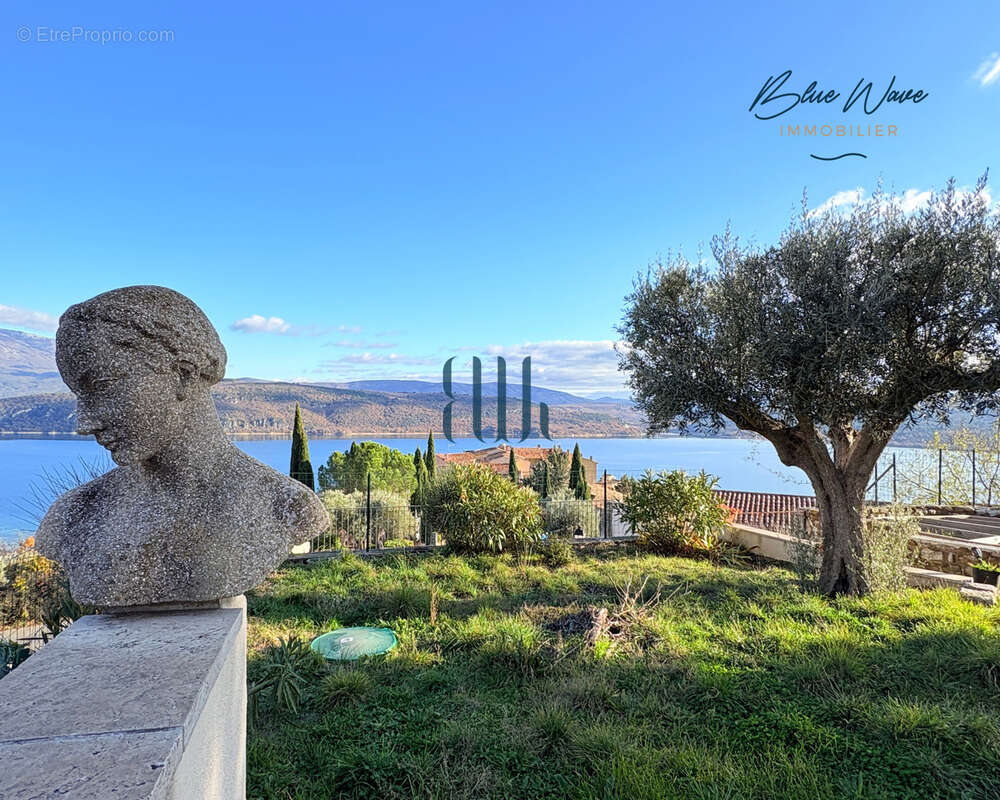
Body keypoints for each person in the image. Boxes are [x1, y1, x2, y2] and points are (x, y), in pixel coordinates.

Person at [36, 286, 328, 606]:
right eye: (79, 396)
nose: (84, 422)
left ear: (184, 374)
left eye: (103, 386)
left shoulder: (285, 506)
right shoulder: (74, 516)